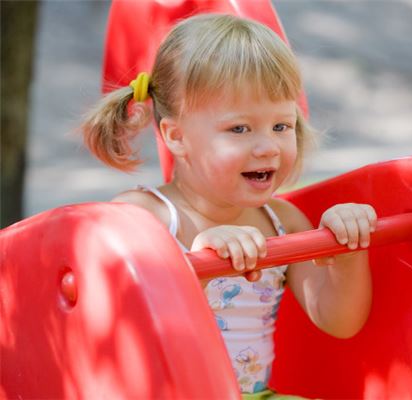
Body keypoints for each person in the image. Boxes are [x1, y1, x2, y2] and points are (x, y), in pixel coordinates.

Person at [81, 14, 375, 397]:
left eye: (281, 126)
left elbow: (339, 321)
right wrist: (196, 270)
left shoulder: (282, 221)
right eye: (239, 129)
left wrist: (347, 251)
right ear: (177, 136)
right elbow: (121, 338)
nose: (268, 146)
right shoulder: (142, 218)